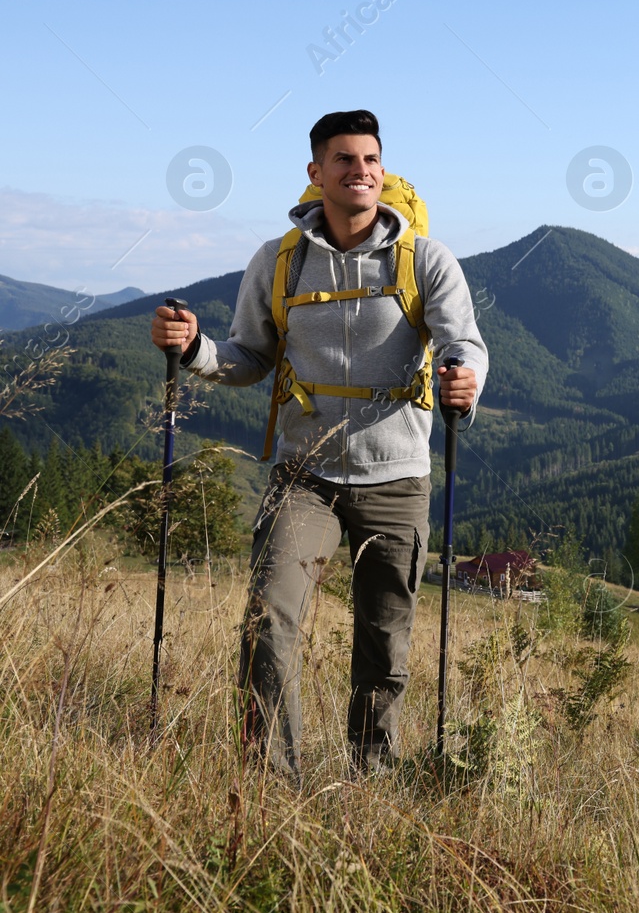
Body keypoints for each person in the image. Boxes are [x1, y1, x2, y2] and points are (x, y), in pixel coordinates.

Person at [150, 109, 488, 779]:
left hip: (397, 478)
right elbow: (248, 355)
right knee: (268, 621)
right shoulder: (281, 262)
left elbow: (464, 343)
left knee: (383, 645)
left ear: (382, 172)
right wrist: (192, 348)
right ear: (316, 173)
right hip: (304, 474)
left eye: (370, 160)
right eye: (344, 159)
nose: (359, 170)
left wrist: (465, 381)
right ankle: (273, 784)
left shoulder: (425, 259)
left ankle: (372, 777)